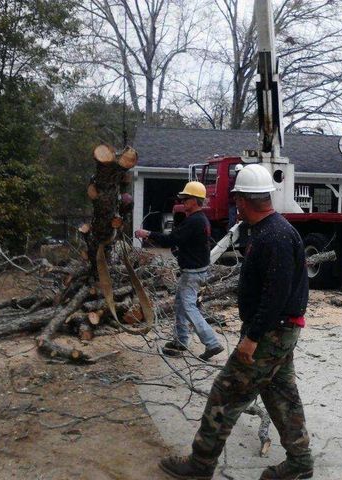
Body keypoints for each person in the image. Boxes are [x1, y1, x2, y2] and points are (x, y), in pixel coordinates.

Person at [159, 164, 314, 480]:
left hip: (270, 333)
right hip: (278, 331)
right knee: (281, 394)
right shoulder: (272, 230)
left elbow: (276, 295)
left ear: (243, 200)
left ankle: (200, 466)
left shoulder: (276, 236)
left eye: (236, 200)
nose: (235, 205)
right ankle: (300, 463)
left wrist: (252, 337)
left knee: (224, 395)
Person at [135, 181, 224, 361]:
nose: (182, 200)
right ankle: (180, 340)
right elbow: (182, 242)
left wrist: (148, 234)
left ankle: (212, 343)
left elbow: (170, 240)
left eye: (186, 198)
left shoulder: (195, 221)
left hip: (192, 272)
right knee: (180, 305)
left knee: (188, 307)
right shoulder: (198, 220)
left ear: (195, 200)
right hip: (195, 270)